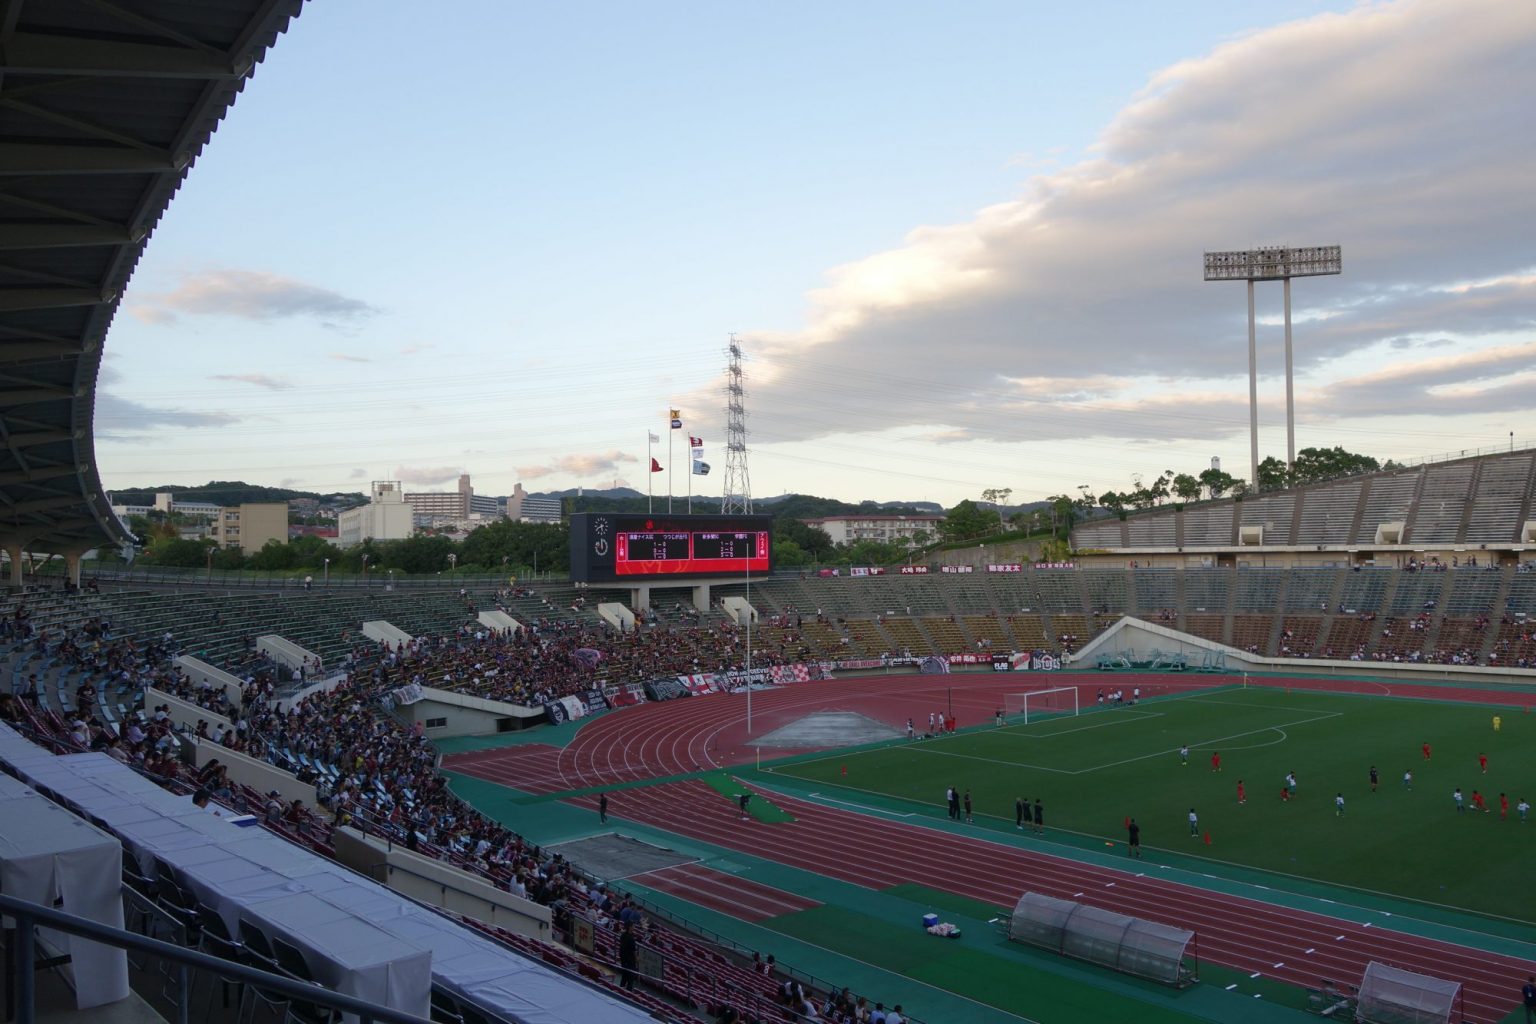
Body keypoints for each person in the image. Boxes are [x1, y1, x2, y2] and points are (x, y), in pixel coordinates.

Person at [618, 922, 638, 990]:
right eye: (633, 926)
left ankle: (620, 990)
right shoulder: (631, 939)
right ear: (630, 927)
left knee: (624, 977)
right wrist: (636, 959)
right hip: (630, 962)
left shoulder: (623, 935)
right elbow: (634, 951)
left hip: (623, 960)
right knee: (630, 979)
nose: (634, 927)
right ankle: (628, 993)